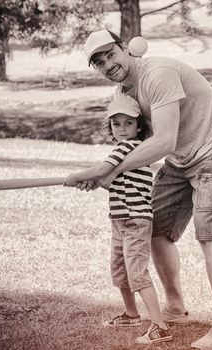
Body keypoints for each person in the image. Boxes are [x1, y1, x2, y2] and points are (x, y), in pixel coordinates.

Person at [79, 29, 212, 349]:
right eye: (99, 62)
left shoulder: (159, 74)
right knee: (155, 228)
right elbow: (134, 146)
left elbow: (163, 140)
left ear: (125, 49)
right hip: (181, 160)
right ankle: (176, 307)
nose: (108, 64)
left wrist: (107, 169)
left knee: (208, 231)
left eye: (111, 54)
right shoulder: (123, 94)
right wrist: (105, 175)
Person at [64, 94, 172, 345]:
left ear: (139, 127)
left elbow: (102, 171)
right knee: (120, 268)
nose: (122, 129)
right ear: (110, 127)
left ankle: (159, 326)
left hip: (135, 221)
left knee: (136, 272)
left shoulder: (129, 148)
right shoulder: (127, 154)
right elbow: (110, 182)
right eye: (116, 124)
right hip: (121, 220)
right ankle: (132, 314)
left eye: (128, 123)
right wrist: (91, 183)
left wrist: (76, 176)